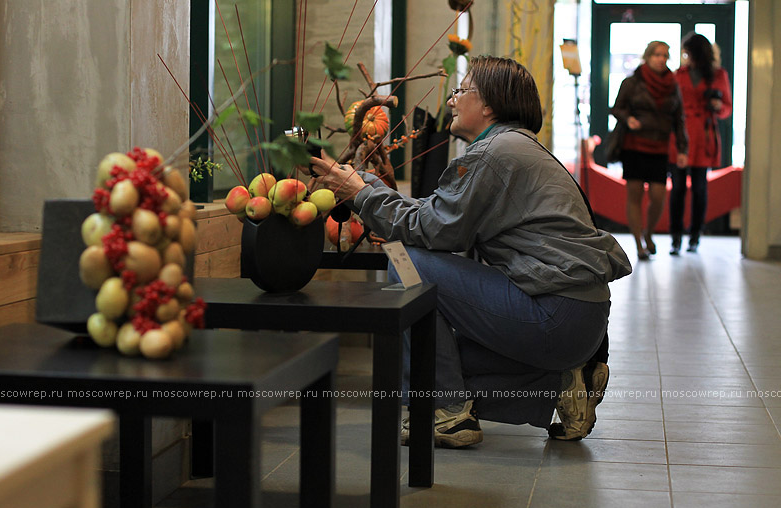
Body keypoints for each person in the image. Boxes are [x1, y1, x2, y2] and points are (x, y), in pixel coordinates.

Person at [306, 55, 632, 446]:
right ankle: (563, 386)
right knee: (438, 360)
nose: (451, 101)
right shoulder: (515, 147)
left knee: (407, 263)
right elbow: (438, 215)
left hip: (556, 315)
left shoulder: (493, 153)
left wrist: (362, 195)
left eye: (461, 91)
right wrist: (367, 188)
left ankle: (446, 412)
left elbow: (431, 230)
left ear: (489, 104)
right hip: (581, 321)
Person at [610, 41, 688, 260]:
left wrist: (683, 148)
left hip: (660, 146)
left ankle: (649, 232)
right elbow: (617, 108)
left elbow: (679, 119)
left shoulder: (673, 85)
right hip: (634, 145)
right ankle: (638, 245)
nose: (661, 59)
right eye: (656, 55)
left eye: (665, 55)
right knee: (634, 195)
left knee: (658, 196)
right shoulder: (632, 82)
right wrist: (629, 119)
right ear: (647, 57)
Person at [668, 33, 732, 254]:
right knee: (677, 189)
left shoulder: (718, 74)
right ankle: (675, 236)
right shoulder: (679, 74)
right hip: (681, 138)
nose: (685, 56)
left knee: (700, 188)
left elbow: (727, 108)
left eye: (688, 51)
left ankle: (695, 235)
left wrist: (716, 105)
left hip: (704, 136)